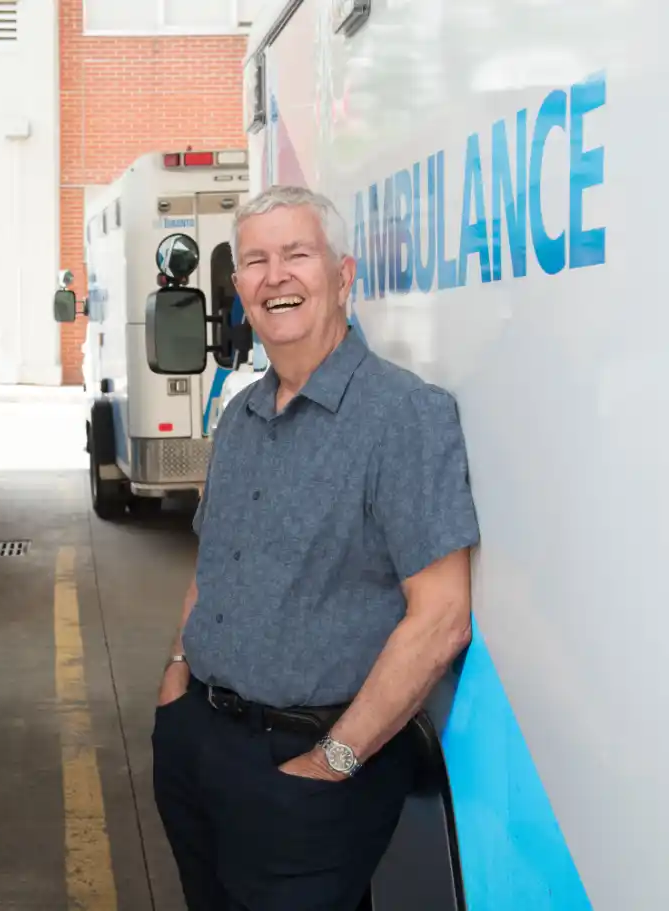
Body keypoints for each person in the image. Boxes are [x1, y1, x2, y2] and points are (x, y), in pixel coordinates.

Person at [151, 184, 480, 910]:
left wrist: (332, 763)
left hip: (308, 767)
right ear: (238, 288)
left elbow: (442, 617)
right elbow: (213, 565)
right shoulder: (240, 414)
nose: (276, 276)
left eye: (297, 254)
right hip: (198, 744)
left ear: (343, 275)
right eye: (256, 261)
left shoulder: (403, 417)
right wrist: (176, 682)